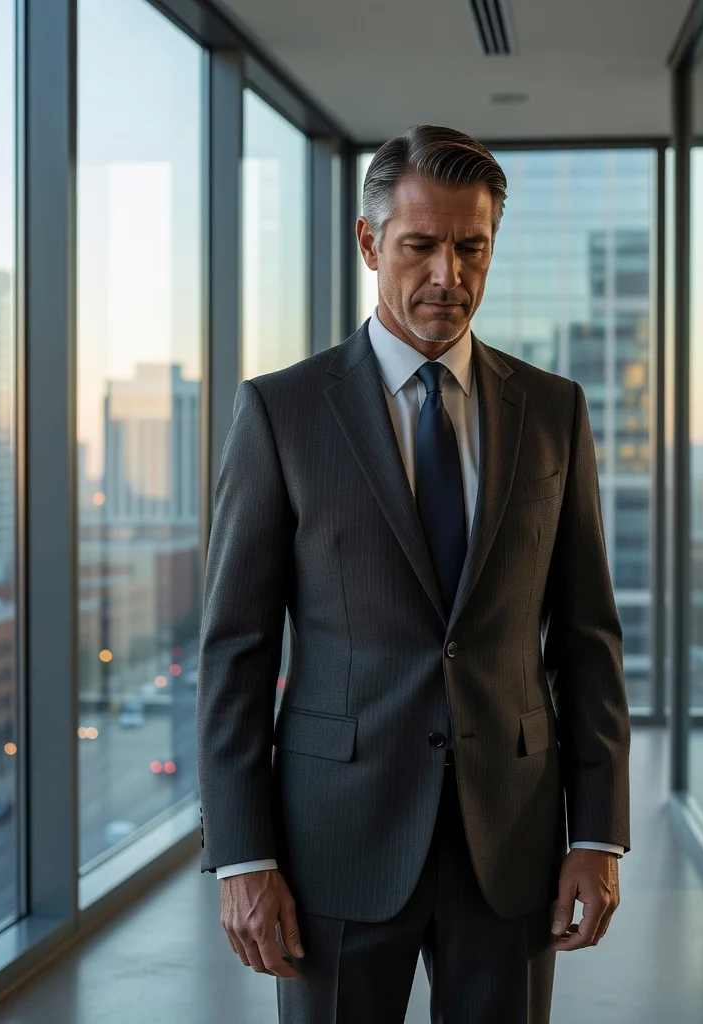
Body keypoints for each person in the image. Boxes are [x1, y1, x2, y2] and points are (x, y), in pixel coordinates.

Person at [197, 124, 630, 1024]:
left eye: (472, 247)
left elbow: (588, 639)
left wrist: (597, 834)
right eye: (421, 245)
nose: (448, 275)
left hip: (511, 837)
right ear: (369, 243)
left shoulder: (553, 410)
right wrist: (243, 856)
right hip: (333, 842)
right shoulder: (281, 412)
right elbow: (235, 651)